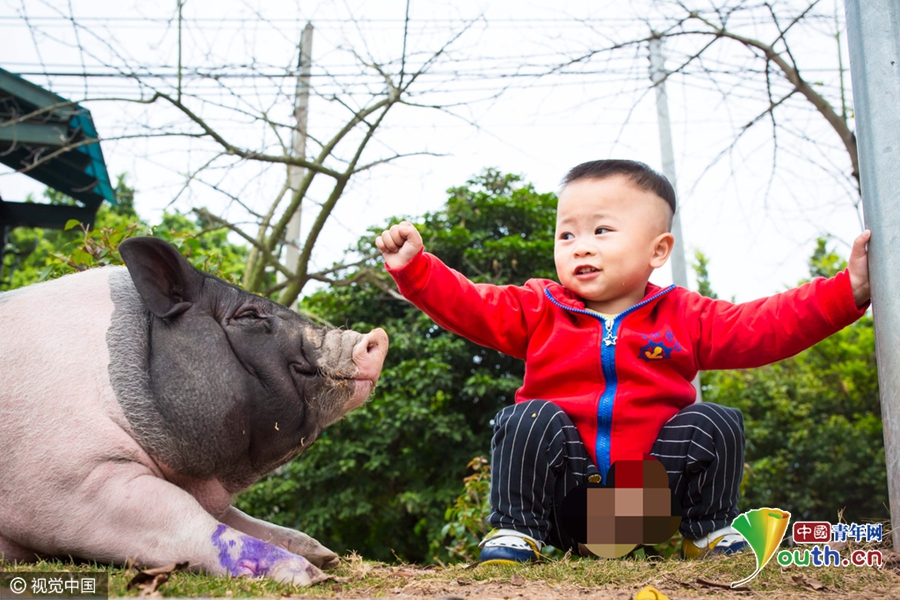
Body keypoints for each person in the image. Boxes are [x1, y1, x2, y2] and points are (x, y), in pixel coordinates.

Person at [375, 159, 871, 564]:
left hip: (647, 501)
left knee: (714, 421)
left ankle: (708, 534)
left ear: (658, 250)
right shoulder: (540, 307)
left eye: (602, 230)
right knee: (527, 417)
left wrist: (845, 292)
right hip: (566, 499)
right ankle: (517, 533)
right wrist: (417, 270)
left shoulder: (683, 315)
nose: (581, 246)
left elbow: (763, 326)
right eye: (566, 235)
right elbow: (473, 305)